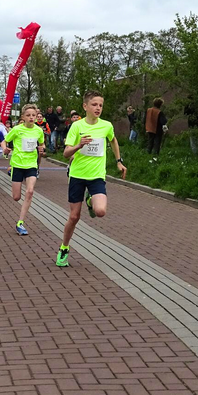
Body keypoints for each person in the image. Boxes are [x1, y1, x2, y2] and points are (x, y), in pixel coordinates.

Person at [57, 90, 127, 268]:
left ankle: (90, 201)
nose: (98, 108)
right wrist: (79, 145)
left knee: (101, 211)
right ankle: (64, 248)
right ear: (85, 106)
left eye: (101, 105)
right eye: (94, 104)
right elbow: (65, 154)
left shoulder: (106, 126)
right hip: (77, 176)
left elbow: (113, 141)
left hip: (96, 176)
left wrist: (119, 161)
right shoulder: (77, 127)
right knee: (74, 217)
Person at [2, 104, 46, 236]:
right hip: (17, 164)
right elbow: (5, 141)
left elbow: (42, 144)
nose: (31, 117)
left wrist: (42, 149)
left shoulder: (38, 131)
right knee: (16, 197)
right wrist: (4, 148)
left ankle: (20, 223)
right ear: (23, 117)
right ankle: (11, 172)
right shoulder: (17, 129)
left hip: (31, 165)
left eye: (34, 115)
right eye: (28, 115)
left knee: (30, 191)